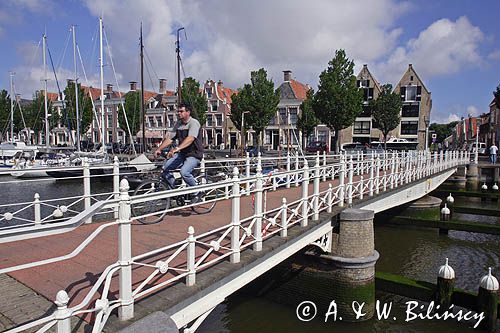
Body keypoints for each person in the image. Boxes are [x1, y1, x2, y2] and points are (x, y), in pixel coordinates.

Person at [154, 103, 204, 201]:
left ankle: (197, 191)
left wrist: (177, 149)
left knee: (184, 172)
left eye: (181, 111)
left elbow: (190, 138)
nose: (179, 113)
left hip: (194, 154)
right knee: (165, 168)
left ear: (188, 112)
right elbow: (170, 138)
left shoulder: (194, 123)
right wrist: (159, 149)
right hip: (183, 154)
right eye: (178, 111)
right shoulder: (178, 124)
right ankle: (174, 191)